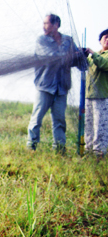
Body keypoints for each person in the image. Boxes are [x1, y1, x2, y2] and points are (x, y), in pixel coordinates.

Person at [27, 14, 86, 152]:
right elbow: (50, 57)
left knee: (59, 120)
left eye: (46, 23)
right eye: (44, 23)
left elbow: (76, 59)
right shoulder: (42, 40)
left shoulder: (68, 40)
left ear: (56, 25)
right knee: (37, 118)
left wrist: (82, 55)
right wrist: (72, 55)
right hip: (45, 85)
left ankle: (59, 148)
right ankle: (31, 145)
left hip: (62, 88)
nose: (43, 26)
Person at [84, 29, 108, 158]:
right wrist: (81, 55)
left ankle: (100, 153)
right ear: (100, 40)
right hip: (89, 96)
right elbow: (83, 66)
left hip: (102, 97)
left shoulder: (101, 56)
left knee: (100, 127)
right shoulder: (94, 56)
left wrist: (91, 53)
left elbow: (103, 64)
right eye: (106, 37)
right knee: (89, 126)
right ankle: (88, 152)